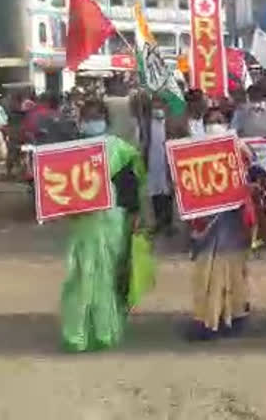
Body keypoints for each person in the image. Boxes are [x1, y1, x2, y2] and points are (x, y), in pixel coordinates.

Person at [60, 99, 147, 352]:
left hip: (111, 219)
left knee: (106, 275)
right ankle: (76, 334)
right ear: (80, 120)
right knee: (79, 274)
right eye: (86, 116)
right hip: (82, 220)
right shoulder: (70, 151)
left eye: (96, 116)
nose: (91, 121)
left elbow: (130, 188)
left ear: (106, 121)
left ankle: (104, 331)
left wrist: (135, 216)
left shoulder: (120, 149)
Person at [186, 108, 255, 341]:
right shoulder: (191, 150)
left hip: (232, 220)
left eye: (219, 121)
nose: (214, 125)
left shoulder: (240, 148)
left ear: (227, 123)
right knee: (206, 271)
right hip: (206, 221)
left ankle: (234, 315)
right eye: (209, 121)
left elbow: (252, 173)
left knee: (233, 269)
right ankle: (208, 319)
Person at [146, 95, 176, 236]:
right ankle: (158, 222)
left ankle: (169, 223)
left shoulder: (171, 122)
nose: (157, 108)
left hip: (167, 160)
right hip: (153, 160)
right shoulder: (146, 122)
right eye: (154, 105)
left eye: (159, 105)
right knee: (155, 192)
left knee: (168, 191)